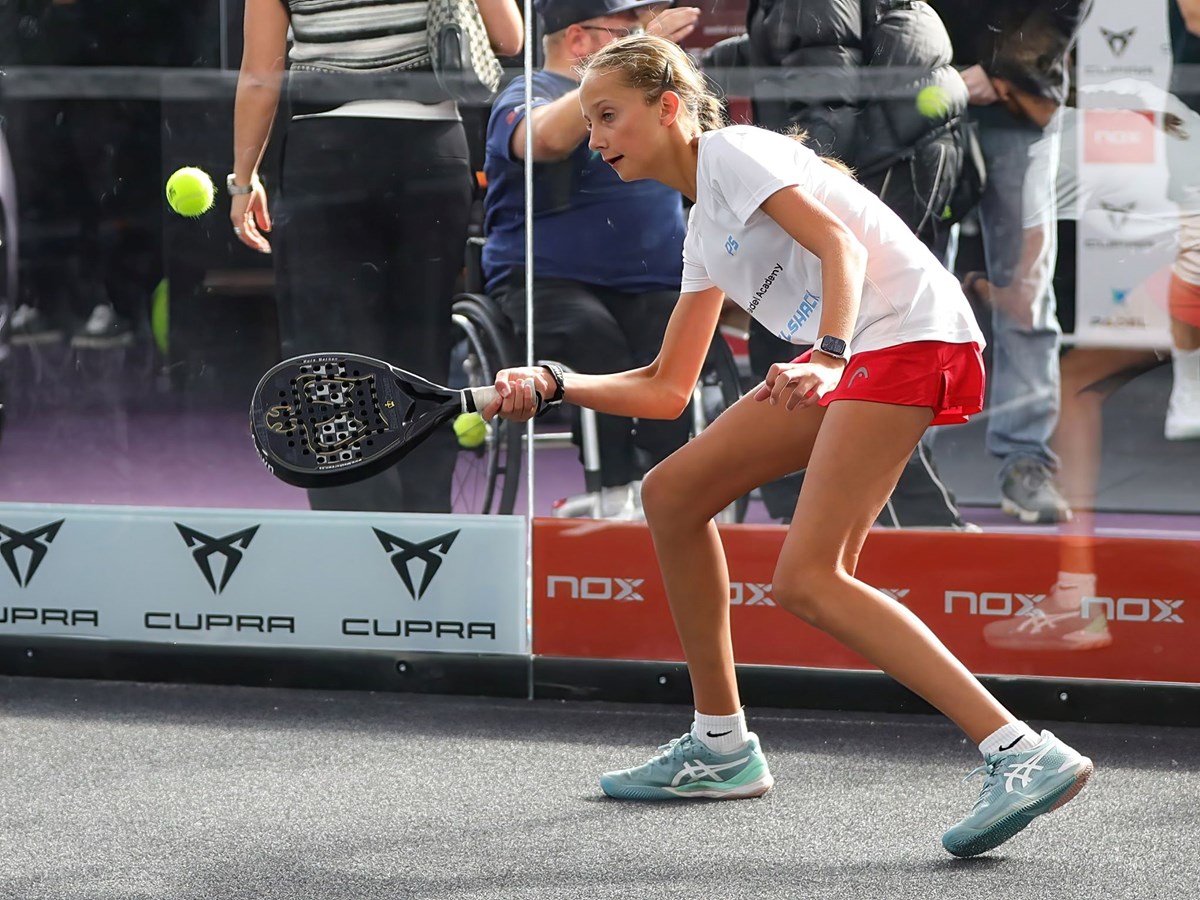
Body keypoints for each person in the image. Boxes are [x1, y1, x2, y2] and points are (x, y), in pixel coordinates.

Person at [484, 34, 1093, 857]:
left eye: (608, 116)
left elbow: (837, 245)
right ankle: (720, 744)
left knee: (808, 579)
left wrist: (828, 357)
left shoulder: (734, 150)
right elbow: (666, 386)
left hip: (903, 340)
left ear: (668, 109)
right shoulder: (702, 230)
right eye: (590, 120)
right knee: (672, 494)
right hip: (849, 357)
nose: (594, 139)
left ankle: (1023, 750)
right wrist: (556, 382)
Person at [231, 0, 522, 513]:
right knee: (422, 350)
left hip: (328, 153)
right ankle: (425, 532)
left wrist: (242, 179)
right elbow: (508, 38)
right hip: (434, 149)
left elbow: (260, 75)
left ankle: (355, 538)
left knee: (332, 362)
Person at [702, 0, 982, 529]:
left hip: (882, 166)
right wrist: (690, 62)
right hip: (903, 159)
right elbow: (800, 54)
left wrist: (775, 192)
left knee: (841, 359)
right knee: (862, 360)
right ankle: (917, 531)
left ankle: (903, 532)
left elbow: (826, 103)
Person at [482, 0, 701, 517]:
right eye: (629, 30)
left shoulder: (652, 97)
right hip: (549, 280)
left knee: (676, 343)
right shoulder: (528, 93)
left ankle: (673, 491)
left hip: (653, 279)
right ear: (579, 40)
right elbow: (543, 139)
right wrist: (630, 64)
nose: (643, 38)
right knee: (593, 339)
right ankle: (614, 490)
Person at [930, 0, 1093, 524]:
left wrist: (1000, 71)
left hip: (1017, 102)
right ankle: (901, 457)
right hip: (925, 100)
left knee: (1026, 293)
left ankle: (1025, 461)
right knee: (915, 294)